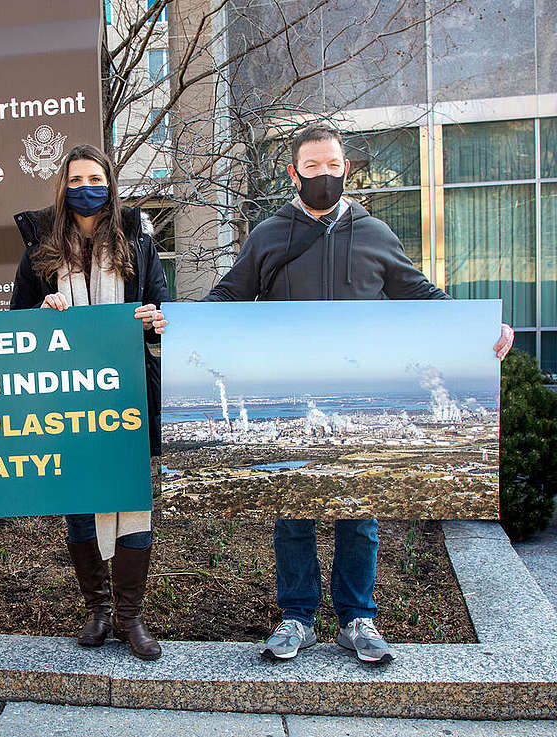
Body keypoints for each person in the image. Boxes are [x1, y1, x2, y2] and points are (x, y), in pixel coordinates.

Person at [204, 124, 515, 665]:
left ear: (346, 167)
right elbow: (231, 293)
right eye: (312, 166)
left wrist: (479, 328)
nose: (324, 174)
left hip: (356, 401)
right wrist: (178, 321)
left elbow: (417, 293)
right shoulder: (269, 235)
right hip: (295, 396)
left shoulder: (374, 233)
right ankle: (296, 618)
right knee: (293, 510)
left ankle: (357, 619)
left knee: (360, 514)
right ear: (292, 171)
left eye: (333, 165)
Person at [11, 144, 169, 661]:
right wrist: (42, 309)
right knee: (79, 500)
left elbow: (163, 312)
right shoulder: (40, 245)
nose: (85, 186)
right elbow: (16, 325)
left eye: (94, 176)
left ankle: (131, 616)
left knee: (131, 501)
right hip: (63, 398)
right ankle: (97, 608)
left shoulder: (137, 240)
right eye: (75, 178)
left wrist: (155, 322)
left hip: (127, 395)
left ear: (110, 181)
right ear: (63, 186)